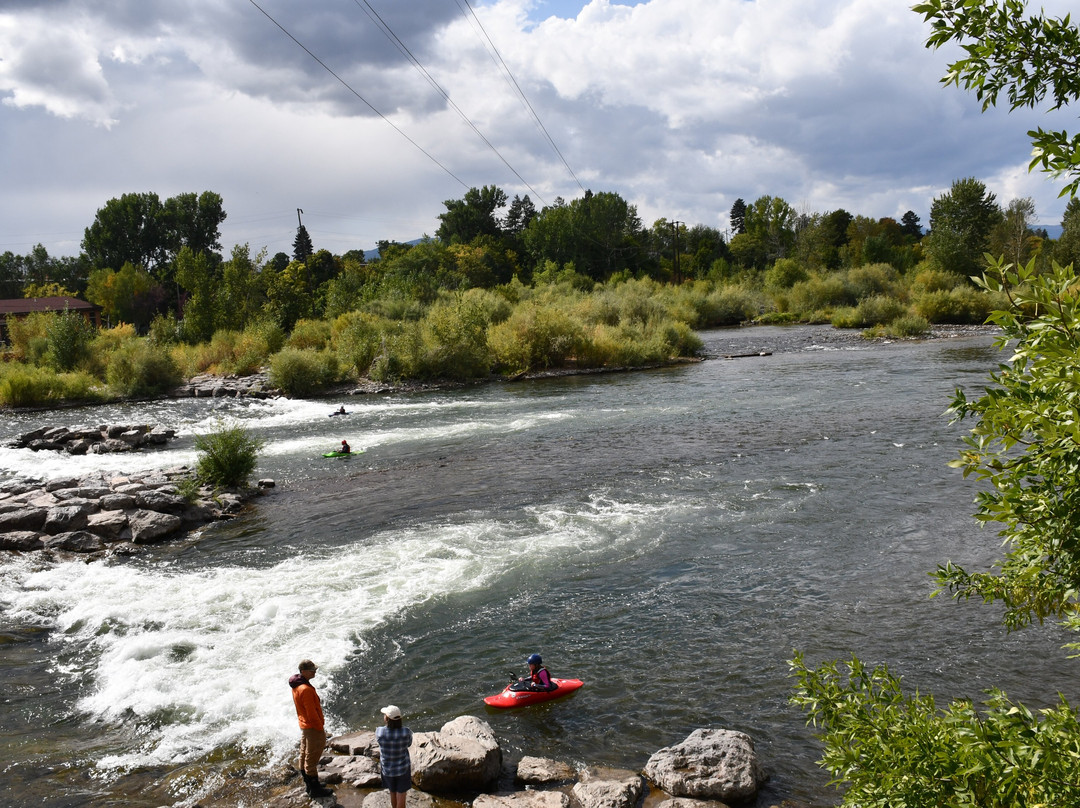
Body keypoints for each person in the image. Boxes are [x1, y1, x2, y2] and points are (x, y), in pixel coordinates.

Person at [289, 659, 333, 798]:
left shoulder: (297, 686)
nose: (315, 672)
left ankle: (309, 785)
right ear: (303, 672)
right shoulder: (306, 689)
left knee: (304, 754)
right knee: (312, 758)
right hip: (312, 727)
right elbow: (311, 712)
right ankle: (315, 789)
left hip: (304, 725)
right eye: (312, 670)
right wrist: (320, 728)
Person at [376, 704, 413, 808]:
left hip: (387, 769)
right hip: (403, 768)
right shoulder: (406, 732)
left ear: (387, 719)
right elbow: (409, 744)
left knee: (392, 791)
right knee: (401, 792)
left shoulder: (379, 732)